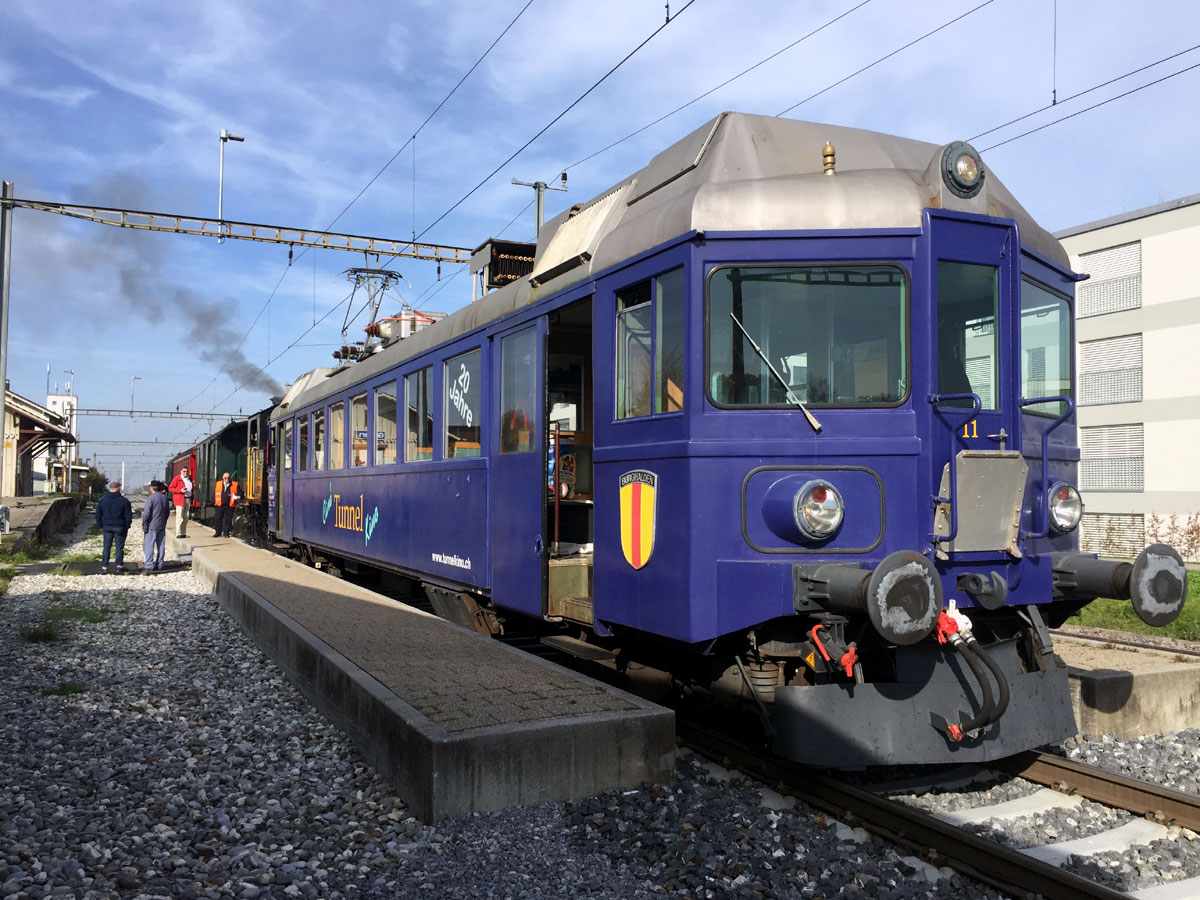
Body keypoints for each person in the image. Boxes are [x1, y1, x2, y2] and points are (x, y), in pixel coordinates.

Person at [95, 480, 133, 574]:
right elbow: (128, 515)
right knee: (119, 547)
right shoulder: (124, 501)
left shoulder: (103, 500)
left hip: (107, 527)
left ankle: (104, 566)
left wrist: (100, 524)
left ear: (110, 489)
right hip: (120, 527)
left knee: (106, 547)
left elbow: (98, 514)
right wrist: (127, 525)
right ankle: (119, 565)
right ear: (118, 488)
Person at [142, 481, 171, 574]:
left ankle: (149, 565)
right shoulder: (165, 498)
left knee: (149, 545)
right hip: (161, 524)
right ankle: (160, 564)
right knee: (161, 545)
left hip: (151, 525)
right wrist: (164, 521)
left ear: (151, 488)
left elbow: (146, 513)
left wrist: (144, 524)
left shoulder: (151, 498)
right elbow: (167, 512)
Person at [168, 466, 193, 538]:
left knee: (186, 516)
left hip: (188, 499)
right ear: (181, 472)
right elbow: (171, 488)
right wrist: (180, 490)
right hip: (180, 499)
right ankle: (178, 533)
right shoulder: (177, 479)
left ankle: (183, 532)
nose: (185, 473)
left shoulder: (189, 479)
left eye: (187, 471)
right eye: (184, 471)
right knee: (179, 516)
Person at [213, 471, 240, 537]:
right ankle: (218, 532)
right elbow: (214, 494)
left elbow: (240, 493)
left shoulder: (235, 484)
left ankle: (226, 533)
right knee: (217, 519)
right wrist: (213, 502)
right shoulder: (218, 484)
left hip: (229, 505)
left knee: (227, 520)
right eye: (225, 478)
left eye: (228, 478)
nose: (227, 479)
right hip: (219, 505)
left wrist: (239, 496)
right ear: (223, 478)